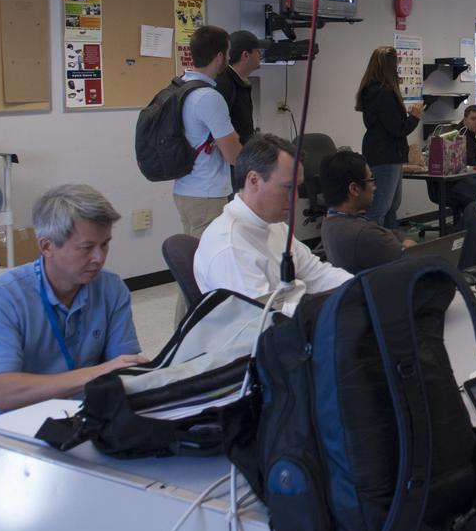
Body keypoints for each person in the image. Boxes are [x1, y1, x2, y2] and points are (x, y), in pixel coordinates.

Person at [0, 185, 145, 423]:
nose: (99, 258)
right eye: (87, 247)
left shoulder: (111, 288)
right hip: (7, 422)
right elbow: (3, 393)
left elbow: (124, 368)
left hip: (80, 413)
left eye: (105, 244)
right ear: (47, 246)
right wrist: (95, 374)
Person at [195, 134, 353, 316]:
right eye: (288, 187)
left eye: (298, 187)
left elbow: (315, 273)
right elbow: (264, 318)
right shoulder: (229, 246)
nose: (295, 198)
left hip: (294, 317)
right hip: (269, 329)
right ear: (253, 180)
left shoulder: (272, 224)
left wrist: (360, 286)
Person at [173, 25, 242, 237]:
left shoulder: (181, 87)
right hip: (207, 193)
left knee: (192, 252)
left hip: (184, 188)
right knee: (207, 254)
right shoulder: (209, 97)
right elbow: (233, 155)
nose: (229, 58)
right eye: (228, 53)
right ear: (219, 57)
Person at [356, 46, 424, 229]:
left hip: (380, 152)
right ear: (389, 66)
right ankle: (376, 243)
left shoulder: (371, 90)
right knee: (380, 208)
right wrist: (414, 117)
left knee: (391, 206)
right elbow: (398, 129)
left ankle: (390, 241)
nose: (398, 68)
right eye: (396, 64)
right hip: (386, 155)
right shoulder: (384, 93)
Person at [319, 149, 415, 272]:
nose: (374, 187)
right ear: (354, 189)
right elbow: (412, 260)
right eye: (371, 179)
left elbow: (391, 234)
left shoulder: (330, 220)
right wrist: (409, 244)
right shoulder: (365, 234)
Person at [215, 30, 266, 145]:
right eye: (257, 51)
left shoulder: (238, 81)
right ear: (245, 55)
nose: (260, 54)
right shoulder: (224, 84)